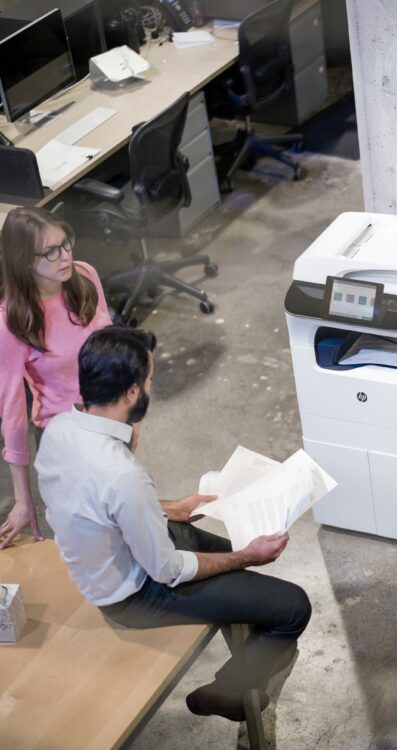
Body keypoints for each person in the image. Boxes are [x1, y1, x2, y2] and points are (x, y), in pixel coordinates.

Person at [35, 326, 311, 721]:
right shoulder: (122, 472)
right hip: (134, 594)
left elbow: (95, 503)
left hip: (124, 551)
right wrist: (246, 557)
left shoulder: (60, 430)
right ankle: (228, 691)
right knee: (293, 607)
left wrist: (169, 509)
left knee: (239, 546)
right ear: (132, 393)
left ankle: (252, 640)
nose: (151, 386)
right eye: (149, 380)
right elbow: (167, 569)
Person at [0, 206, 112, 549]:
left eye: (66, 244)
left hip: (110, 421)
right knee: (93, 543)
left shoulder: (85, 276)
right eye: (50, 251)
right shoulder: (12, 320)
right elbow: (13, 414)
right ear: (24, 260)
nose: (64, 257)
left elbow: (111, 347)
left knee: (123, 522)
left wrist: (130, 416)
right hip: (65, 441)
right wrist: (24, 499)